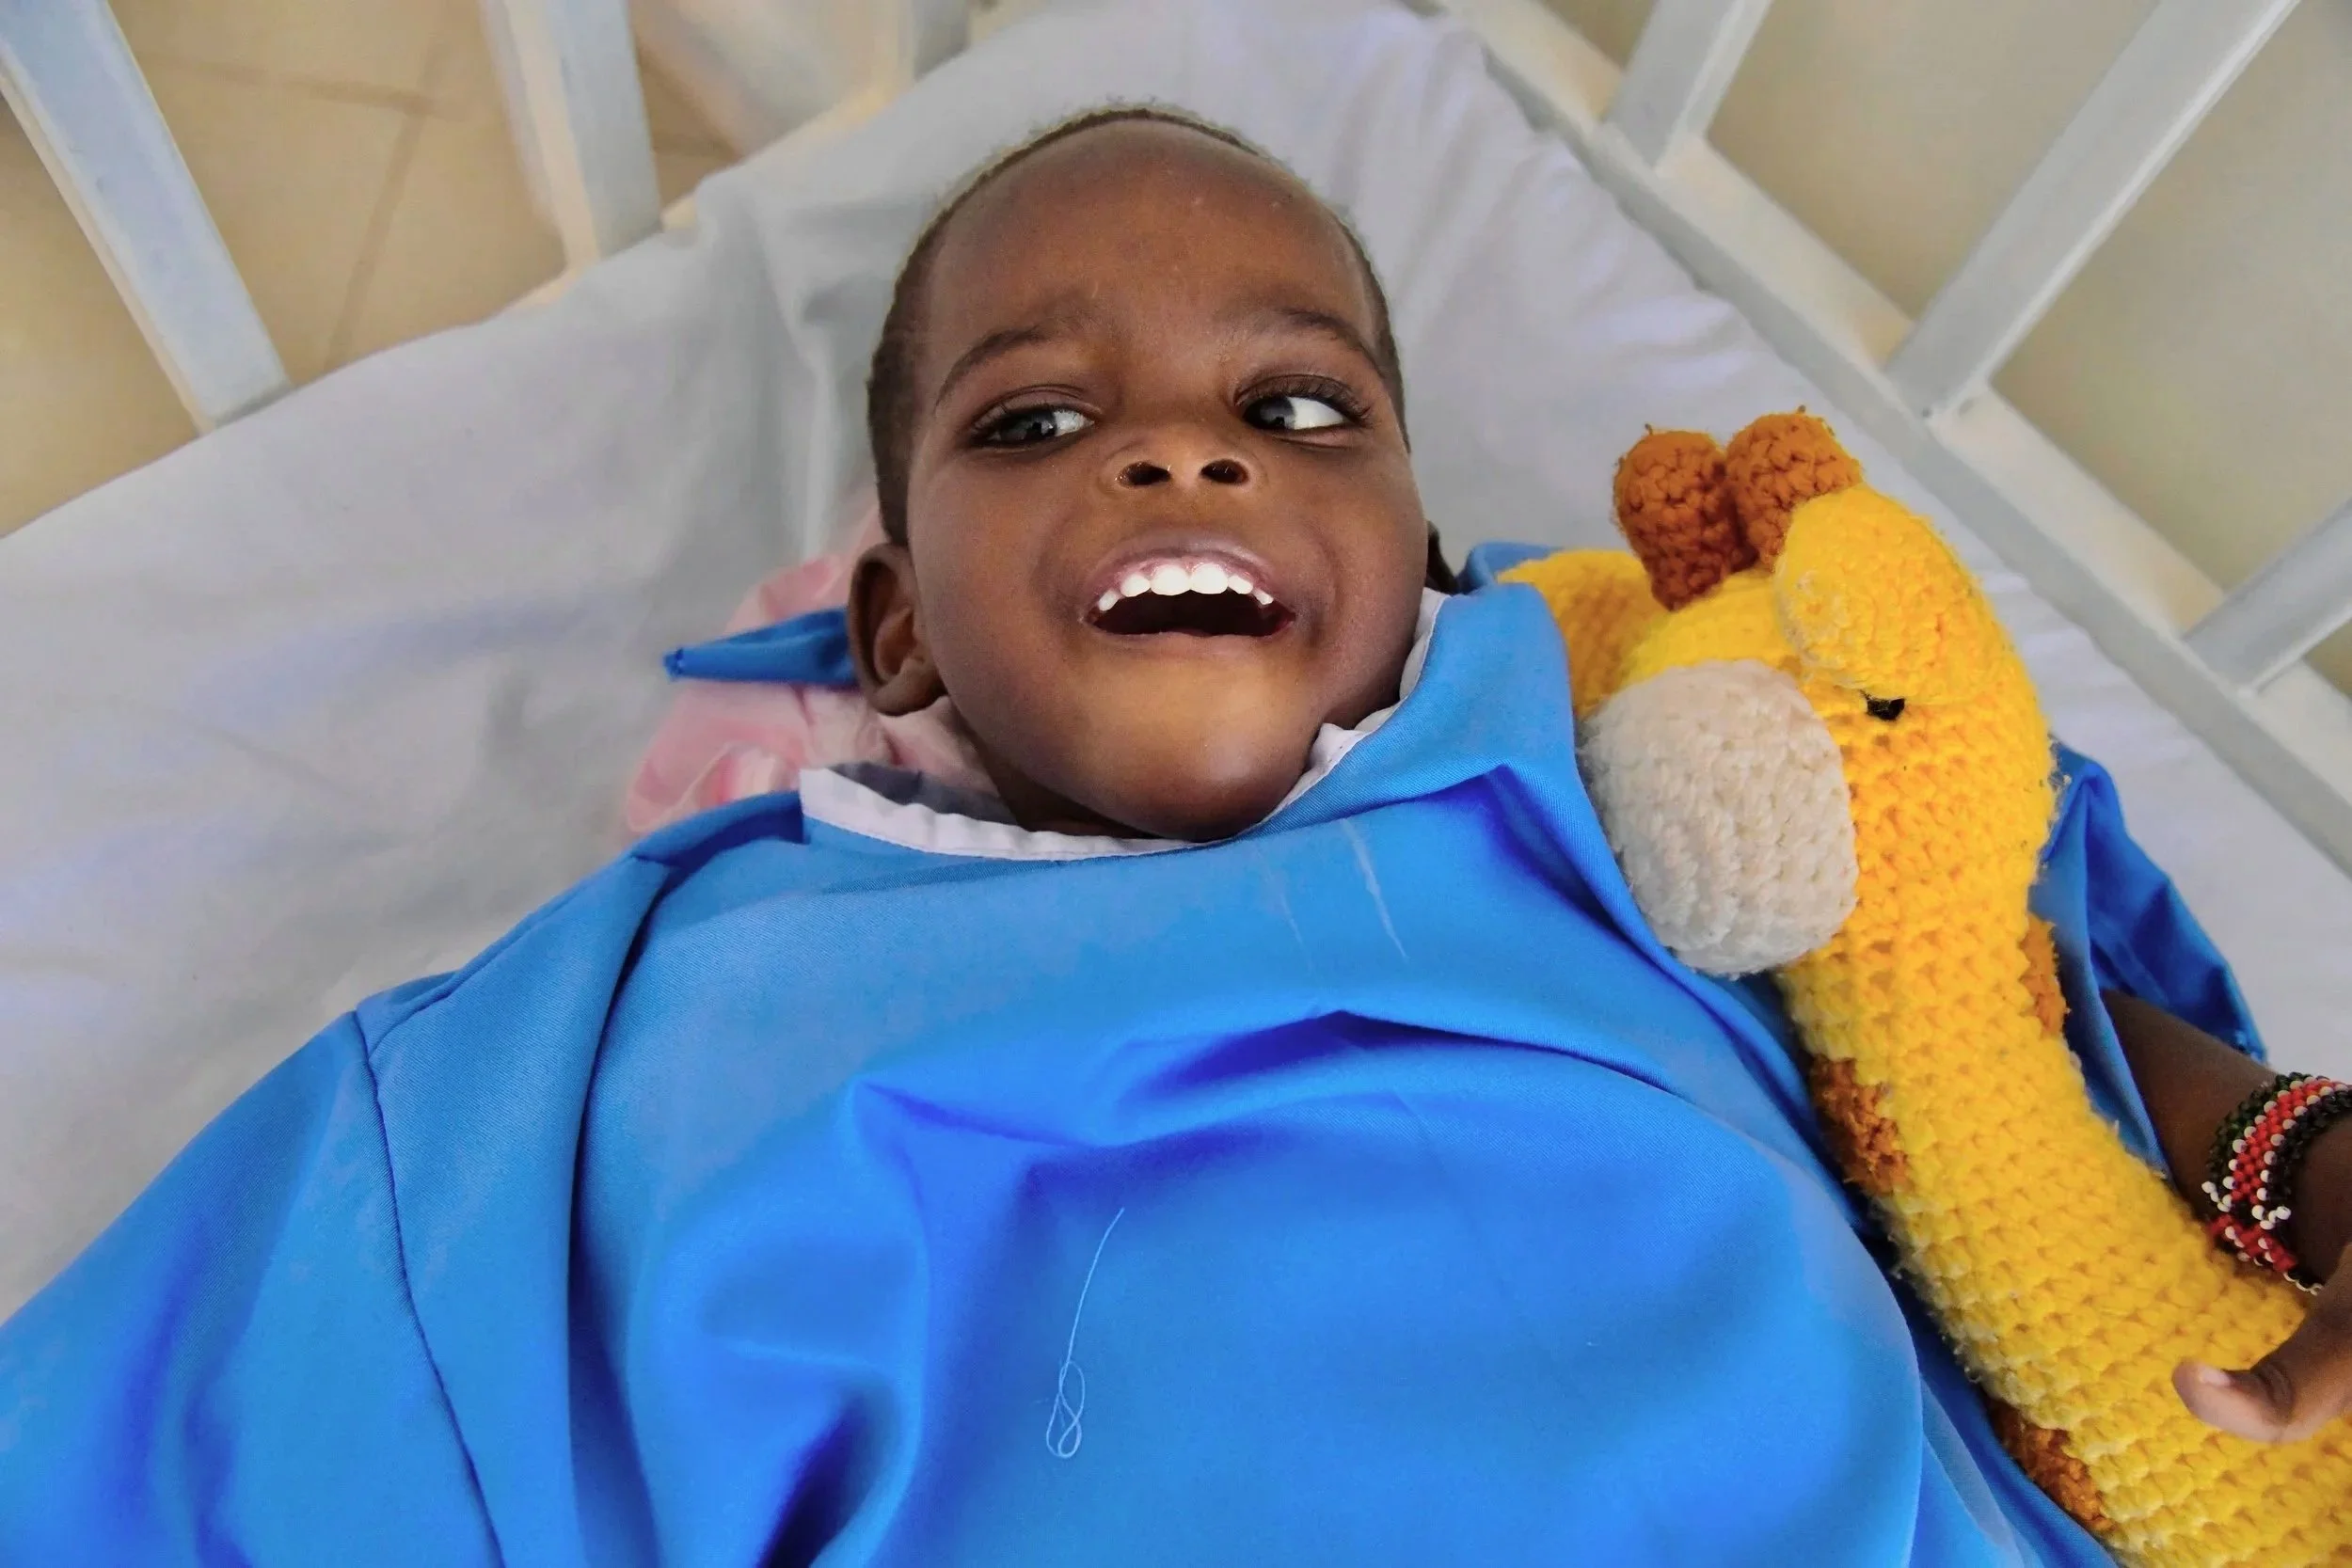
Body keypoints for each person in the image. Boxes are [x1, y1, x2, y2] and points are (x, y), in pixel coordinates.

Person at [0, 105, 2342, 1565]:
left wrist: (2309, 1174)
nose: (1177, 454)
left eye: (1293, 402)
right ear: (893, 629)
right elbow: (331, 1345)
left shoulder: (1626, 769)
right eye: (1035, 416)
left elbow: (1987, 1029)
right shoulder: (678, 999)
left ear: (1435, 565)